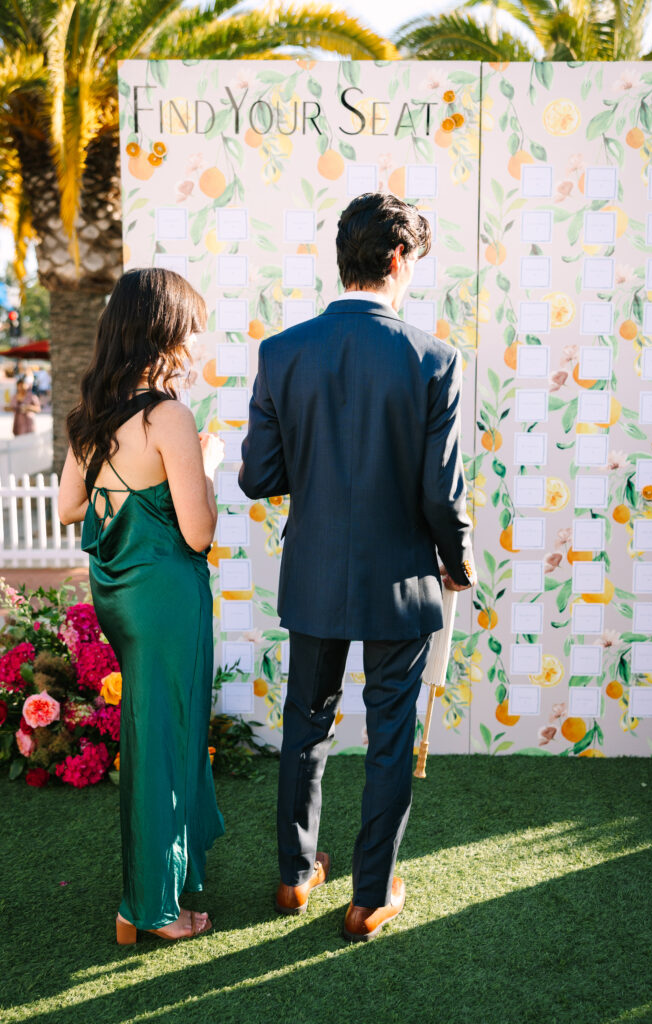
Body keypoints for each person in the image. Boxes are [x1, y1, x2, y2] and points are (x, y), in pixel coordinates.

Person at [239, 192, 476, 943]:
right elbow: (442, 493)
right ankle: (369, 897)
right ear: (398, 260)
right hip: (402, 580)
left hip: (311, 573)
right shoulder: (433, 358)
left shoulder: (281, 352)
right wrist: (458, 559)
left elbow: (257, 477)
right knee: (388, 734)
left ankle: (293, 875)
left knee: (305, 723)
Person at [58, 268, 226, 944]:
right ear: (164, 330)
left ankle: (155, 892)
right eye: (189, 323)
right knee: (165, 745)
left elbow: (71, 506)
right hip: (167, 599)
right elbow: (199, 532)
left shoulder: (94, 414)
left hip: (119, 595)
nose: (194, 337)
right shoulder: (169, 416)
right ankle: (150, 908)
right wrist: (206, 463)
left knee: (152, 735)